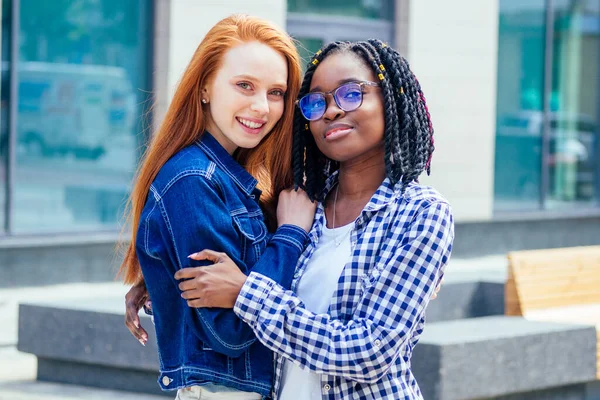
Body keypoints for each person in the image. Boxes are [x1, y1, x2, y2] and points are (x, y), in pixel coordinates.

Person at [173, 39, 454, 399]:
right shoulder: (299, 206)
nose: (331, 111)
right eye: (316, 102)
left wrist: (247, 295)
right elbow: (229, 272)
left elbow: (368, 351)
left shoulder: (421, 213)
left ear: (390, 98)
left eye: (350, 94)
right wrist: (160, 277)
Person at [119, 14, 316, 399]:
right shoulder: (194, 180)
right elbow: (230, 330)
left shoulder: (228, 176)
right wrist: (290, 236)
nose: (261, 107)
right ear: (206, 86)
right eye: (245, 85)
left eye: (276, 93)